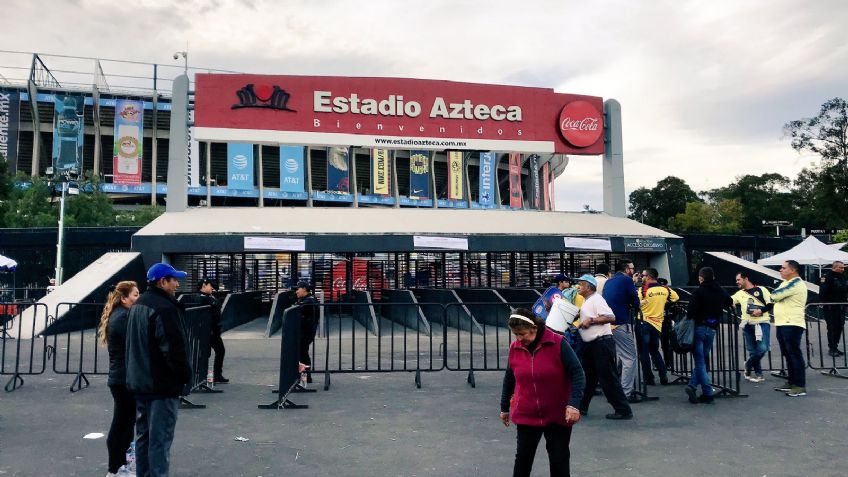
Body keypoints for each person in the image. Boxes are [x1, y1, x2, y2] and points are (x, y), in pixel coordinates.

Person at [500, 307, 585, 477]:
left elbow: (578, 373)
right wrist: (504, 408)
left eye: (522, 334)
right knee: (523, 458)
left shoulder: (558, 343)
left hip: (557, 413)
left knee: (558, 458)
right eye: (515, 334)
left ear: (534, 329)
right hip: (526, 412)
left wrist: (574, 404)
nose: (519, 339)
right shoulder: (515, 348)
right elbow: (510, 378)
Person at [126, 263, 192, 477]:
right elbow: (174, 350)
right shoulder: (165, 308)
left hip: (140, 382)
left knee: (144, 437)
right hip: (161, 384)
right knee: (160, 441)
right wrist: (184, 377)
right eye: (173, 279)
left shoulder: (139, 305)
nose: (177, 284)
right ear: (163, 282)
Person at [575, 275, 633, 420]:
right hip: (593, 344)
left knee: (608, 377)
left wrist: (591, 320)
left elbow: (611, 317)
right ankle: (581, 407)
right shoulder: (588, 301)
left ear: (589, 287)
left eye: (581, 284)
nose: (578, 287)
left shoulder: (597, 299)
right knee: (589, 378)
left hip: (601, 343)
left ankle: (623, 410)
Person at [99, 281, 140, 477]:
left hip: (121, 378)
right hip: (123, 378)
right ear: (124, 298)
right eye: (135, 295)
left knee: (124, 422)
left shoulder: (121, 315)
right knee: (122, 423)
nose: (137, 298)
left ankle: (121, 465)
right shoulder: (122, 318)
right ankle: (116, 467)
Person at [685, 267, 731, 404]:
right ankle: (692, 386)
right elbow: (729, 302)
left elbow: (691, 311)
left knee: (700, 361)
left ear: (701, 278)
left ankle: (707, 391)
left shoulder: (698, 292)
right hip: (712, 328)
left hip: (699, 328)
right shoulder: (720, 291)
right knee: (702, 360)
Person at [763, 260, 808, 397]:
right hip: (783, 323)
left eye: (783, 268)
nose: (780, 270)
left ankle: (799, 386)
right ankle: (791, 382)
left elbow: (775, 295)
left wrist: (774, 294)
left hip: (792, 323)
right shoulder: (785, 283)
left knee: (794, 353)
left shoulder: (795, 283)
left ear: (793, 270)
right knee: (788, 354)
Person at [602, 259, 641, 402]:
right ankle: (625, 393)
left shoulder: (610, 281)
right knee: (630, 358)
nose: (633, 270)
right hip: (620, 323)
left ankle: (618, 389)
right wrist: (637, 305)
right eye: (632, 268)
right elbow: (634, 299)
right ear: (626, 269)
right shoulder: (626, 280)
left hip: (609, 324)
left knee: (620, 357)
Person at [636, 268, 678, 385]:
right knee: (654, 351)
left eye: (643, 275)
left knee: (643, 352)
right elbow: (676, 298)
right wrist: (664, 302)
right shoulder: (665, 289)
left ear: (648, 277)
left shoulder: (642, 290)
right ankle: (663, 375)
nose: (641, 277)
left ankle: (649, 378)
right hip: (657, 325)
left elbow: (636, 303)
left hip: (643, 323)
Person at [731, 271, 772, 383]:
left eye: (738, 280)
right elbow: (731, 300)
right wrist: (730, 303)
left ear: (746, 279)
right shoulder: (739, 293)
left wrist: (760, 311)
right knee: (752, 350)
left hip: (762, 322)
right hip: (747, 324)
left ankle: (748, 364)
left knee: (763, 348)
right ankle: (759, 373)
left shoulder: (762, 289)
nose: (737, 282)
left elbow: (770, 304)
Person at [198, 279, 227, 383]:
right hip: (208, 330)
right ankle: (204, 377)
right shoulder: (201, 299)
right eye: (210, 286)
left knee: (218, 351)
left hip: (214, 330)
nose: (212, 288)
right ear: (204, 285)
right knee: (208, 353)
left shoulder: (211, 297)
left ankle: (215, 376)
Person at [819, 261, 847, 357]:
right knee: (832, 328)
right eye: (841, 267)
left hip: (841, 306)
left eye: (843, 268)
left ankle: (835, 346)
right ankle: (832, 348)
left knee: (839, 327)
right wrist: (823, 303)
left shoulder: (842, 277)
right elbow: (823, 292)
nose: (843, 269)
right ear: (834, 267)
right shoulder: (827, 277)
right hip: (831, 307)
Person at [295, 281, 318, 384]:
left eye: (298, 289)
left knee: (303, 353)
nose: (296, 291)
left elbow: (297, 309)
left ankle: (305, 378)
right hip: (305, 331)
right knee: (302, 353)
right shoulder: (305, 299)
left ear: (304, 289)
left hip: (306, 332)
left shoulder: (309, 300)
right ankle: (304, 377)